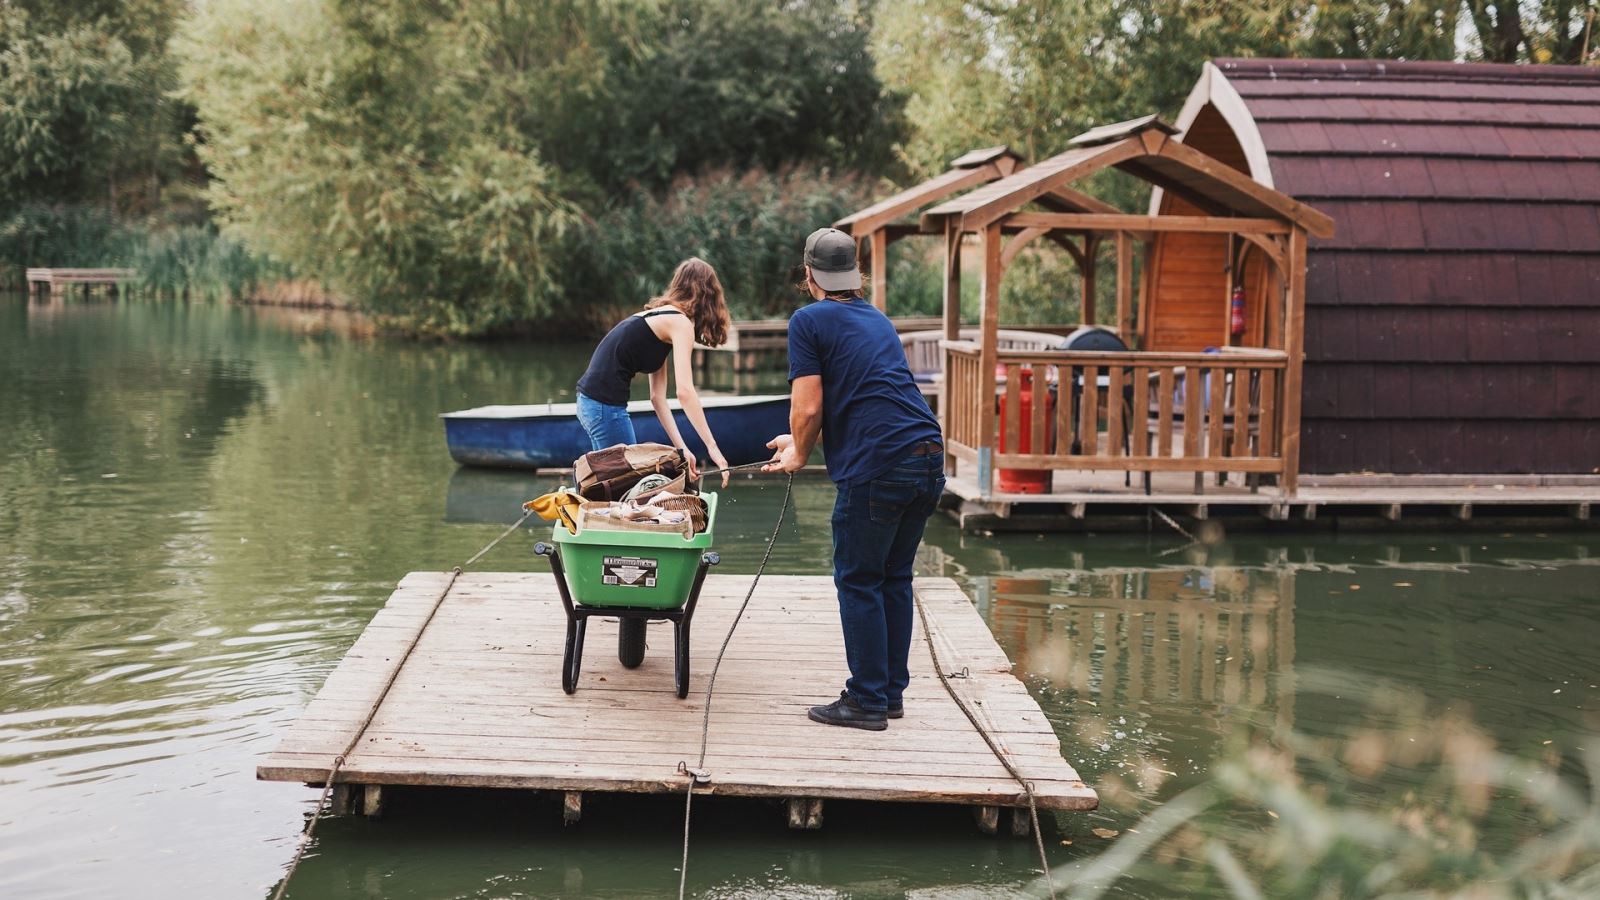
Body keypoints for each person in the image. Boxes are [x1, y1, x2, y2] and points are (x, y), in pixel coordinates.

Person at [764, 228, 944, 731]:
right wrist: (796, 441)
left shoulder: (808, 320)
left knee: (859, 578)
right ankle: (888, 695)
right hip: (926, 455)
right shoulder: (877, 320)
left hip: (881, 464)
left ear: (808, 274)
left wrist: (799, 450)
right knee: (893, 577)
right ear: (854, 274)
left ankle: (865, 701)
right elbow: (862, 401)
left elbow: (810, 405)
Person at [576, 258, 732, 487]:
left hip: (592, 404)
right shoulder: (680, 324)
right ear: (708, 295)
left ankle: (588, 515)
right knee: (629, 485)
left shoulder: (663, 321)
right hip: (603, 407)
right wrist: (713, 448)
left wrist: (682, 450)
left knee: (609, 485)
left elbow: (658, 398)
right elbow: (685, 393)